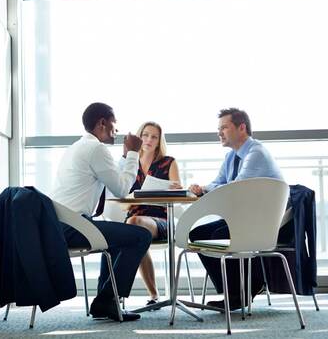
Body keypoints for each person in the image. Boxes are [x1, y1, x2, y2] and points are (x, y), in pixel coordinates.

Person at [50, 102, 152, 322]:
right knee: (140, 236)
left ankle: (106, 302)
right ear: (103, 123)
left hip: (62, 225)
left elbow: (112, 177)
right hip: (73, 226)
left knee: (117, 237)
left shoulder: (80, 147)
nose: (117, 128)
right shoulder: (96, 149)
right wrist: (134, 153)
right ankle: (107, 300)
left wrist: (126, 156)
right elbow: (123, 188)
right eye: (115, 122)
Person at [188, 108, 285, 311]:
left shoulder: (256, 153)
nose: (219, 133)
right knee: (197, 235)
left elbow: (236, 187)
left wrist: (208, 189)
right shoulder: (231, 157)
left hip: (262, 223)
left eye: (224, 127)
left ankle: (246, 288)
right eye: (218, 128)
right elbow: (219, 183)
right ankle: (236, 290)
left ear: (242, 128)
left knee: (220, 234)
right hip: (242, 218)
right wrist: (204, 188)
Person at [125, 121, 181, 306]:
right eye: (145, 135)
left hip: (161, 219)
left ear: (159, 141)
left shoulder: (169, 162)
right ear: (139, 137)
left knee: (133, 226)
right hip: (133, 217)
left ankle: (152, 294)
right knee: (133, 227)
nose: (149, 139)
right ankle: (151, 294)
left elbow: (178, 194)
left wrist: (174, 189)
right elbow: (120, 196)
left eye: (154, 136)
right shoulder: (129, 163)